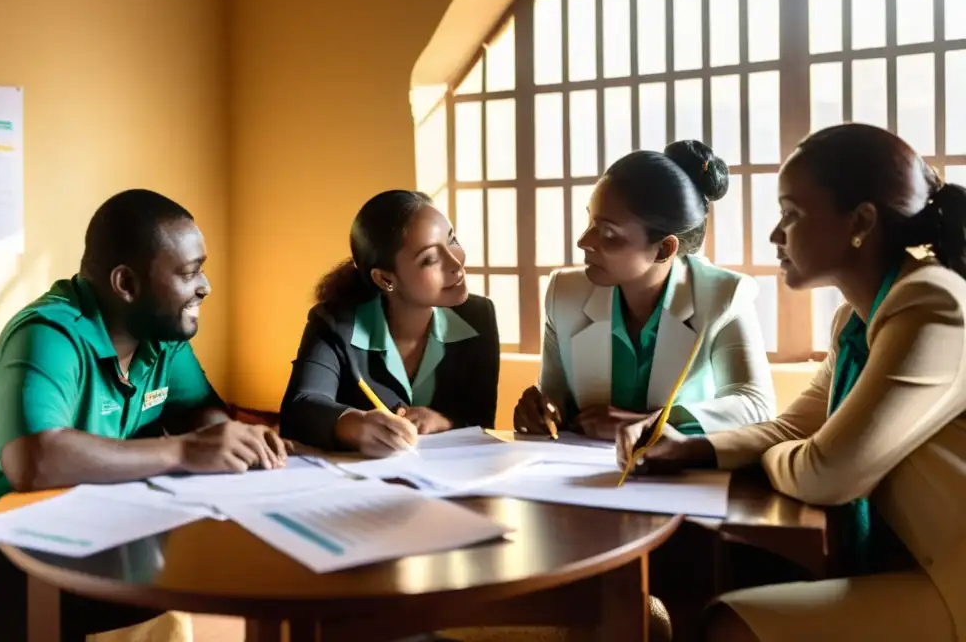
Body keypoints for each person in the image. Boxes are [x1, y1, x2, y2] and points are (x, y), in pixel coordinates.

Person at [617, 124, 966, 641]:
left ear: (861, 222)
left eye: (792, 214)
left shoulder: (931, 305)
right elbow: (793, 428)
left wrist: (784, 453)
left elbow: (828, 471)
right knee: (714, 595)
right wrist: (693, 449)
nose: (776, 235)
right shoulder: (855, 321)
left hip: (952, 579)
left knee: (727, 625)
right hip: (919, 557)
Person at [0, 189, 289, 642]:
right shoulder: (49, 335)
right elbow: (33, 460)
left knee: (167, 608)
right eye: (189, 273)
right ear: (126, 284)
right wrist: (185, 450)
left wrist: (234, 441)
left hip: (71, 548)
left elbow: (199, 411)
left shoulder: (160, 337)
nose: (205, 286)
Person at [514, 140, 775, 441]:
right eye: (590, 221)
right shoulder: (565, 294)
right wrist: (542, 409)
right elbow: (556, 398)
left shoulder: (724, 295)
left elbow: (756, 406)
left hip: (679, 478)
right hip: (578, 475)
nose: (584, 241)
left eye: (608, 233)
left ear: (664, 248)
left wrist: (648, 423)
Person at [279, 190, 499, 455]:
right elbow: (299, 408)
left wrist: (445, 423)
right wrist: (354, 425)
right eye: (430, 259)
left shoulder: (479, 317)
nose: (456, 263)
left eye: (451, 239)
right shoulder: (334, 321)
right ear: (385, 279)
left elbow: (482, 421)